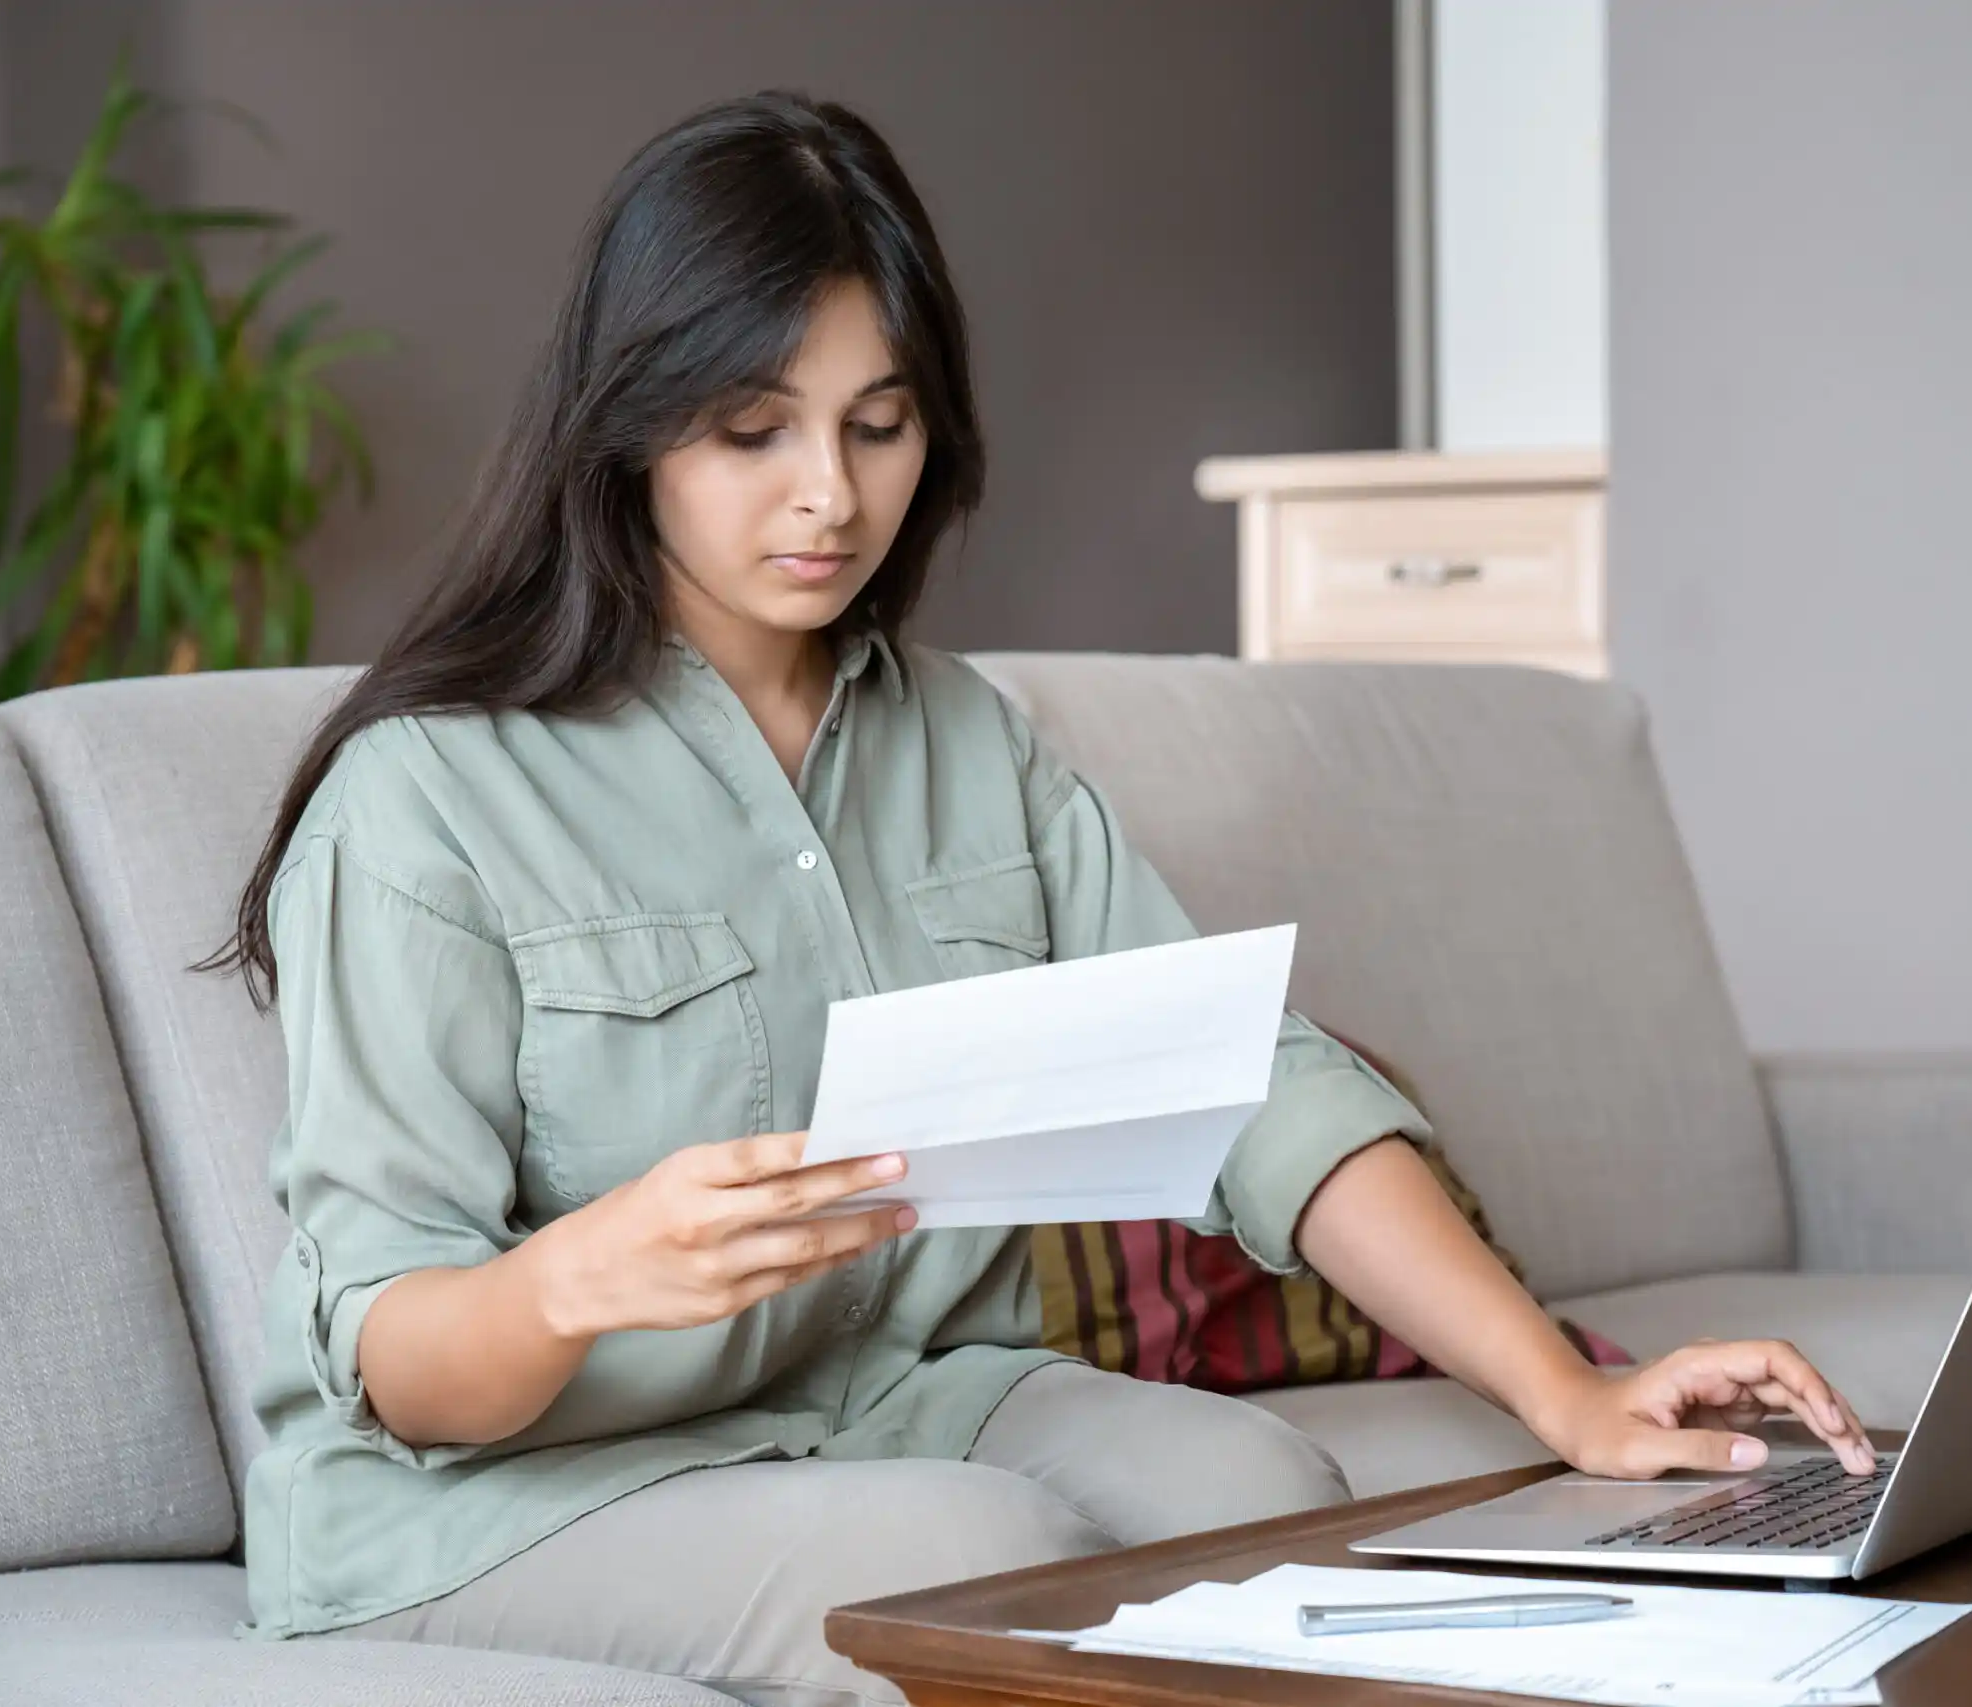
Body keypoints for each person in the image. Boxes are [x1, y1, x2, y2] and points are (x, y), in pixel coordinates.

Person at [202, 90, 1875, 1707]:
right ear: (628, 427)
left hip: (902, 1397)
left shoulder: (968, 743)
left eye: (879, 423)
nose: (831, 497)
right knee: (982, 1552)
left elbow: (1250, 1083)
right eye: (751, 430)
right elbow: (399, 1351)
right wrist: (580, 1275)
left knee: (1261, 1484)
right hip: (486, 1491)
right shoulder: (426, 796)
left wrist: (1565, 1392)